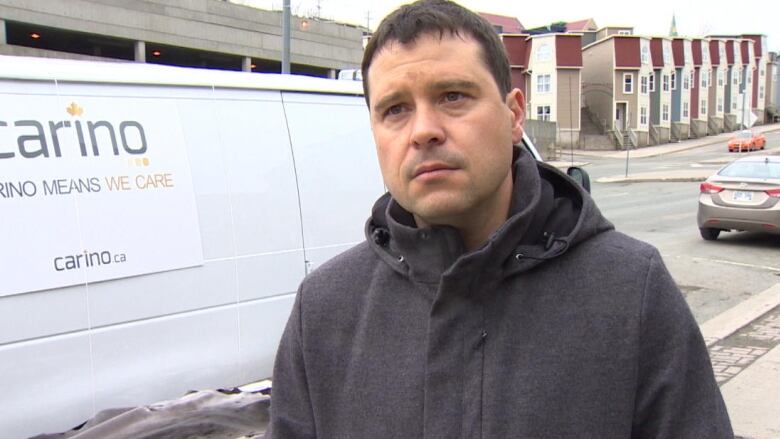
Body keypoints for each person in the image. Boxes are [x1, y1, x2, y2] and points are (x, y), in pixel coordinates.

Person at [266, 1, 732, 437]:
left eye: (452, 96)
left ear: (514, 115)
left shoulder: (632, 292)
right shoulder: (324, 311)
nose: (423, 130)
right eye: (395, 109)